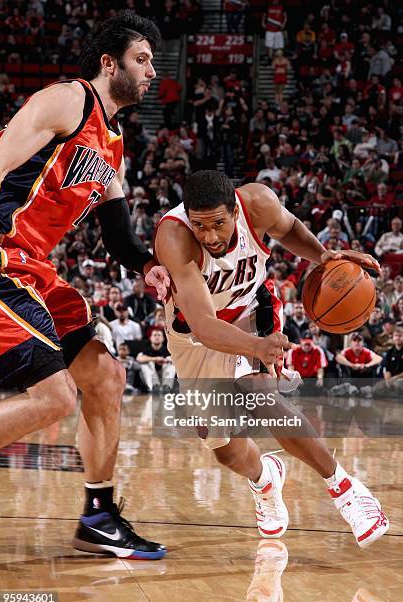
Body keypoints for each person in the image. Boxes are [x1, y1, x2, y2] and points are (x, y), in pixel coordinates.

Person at [0, 11, 169, 559]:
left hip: (35, 269)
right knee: (55, 397)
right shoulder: (68, 100)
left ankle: (97, 516)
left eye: (153, 64)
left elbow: (118, 236)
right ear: (108, 62)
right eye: (141, 60)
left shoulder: (113, 144)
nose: (151, 72)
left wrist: (147, 267)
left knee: (106, 377)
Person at [155, 169, 388, 549]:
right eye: (200, 226)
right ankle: (265, 478)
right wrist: (253, 347)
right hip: (197, 336)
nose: (210, 236)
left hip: (252, 307)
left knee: (260, 394)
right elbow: (204, 325)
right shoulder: (174, 237)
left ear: (235, 210)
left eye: (218, 224)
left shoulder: (258, 202)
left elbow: (290, 227)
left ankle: (348, 492)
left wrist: (323, 256)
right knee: (226, 450)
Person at [136, 328, 176, 393]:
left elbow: (176, 360)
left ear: (163, 338)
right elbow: (138, 359)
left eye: (159, 335)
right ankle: (154, 386)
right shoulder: (146, 349)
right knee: (145, 363)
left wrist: (165, 361)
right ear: (150, 338)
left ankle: (166, 386)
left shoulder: (168, 349)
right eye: (155, 335)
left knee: (171, 361)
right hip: (150, 376)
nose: (157, 337)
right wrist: (155, 359)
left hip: (164, 375)